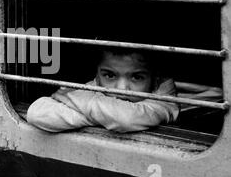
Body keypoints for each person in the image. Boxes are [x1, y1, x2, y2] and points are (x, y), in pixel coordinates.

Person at [27, 48, 180, 133]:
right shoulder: (94, 86)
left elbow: (126, 119)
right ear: (97, 76)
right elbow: (37, 113)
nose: (121, 89)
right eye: (110, 75)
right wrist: (106, 115)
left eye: (137, 77)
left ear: (155, 79)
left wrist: (82, 104)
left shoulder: (164, 97)